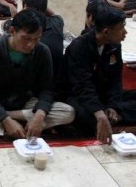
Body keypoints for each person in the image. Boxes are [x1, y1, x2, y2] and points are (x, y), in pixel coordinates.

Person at [0, 9, 75, 138]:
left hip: (25, 101)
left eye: (36, 39)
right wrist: (5, 119)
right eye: (26, 39)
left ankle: (21, 123)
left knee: (68, 112)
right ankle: (22, 124)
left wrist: (39, 115)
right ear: (12, 31)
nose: (31, 45)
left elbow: (47, 88)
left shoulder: (42, 51)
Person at [58, 8, 136, 144]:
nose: (125, 32)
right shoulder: (79, 47)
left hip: (101, 94)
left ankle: (112, 116)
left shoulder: (114, 46)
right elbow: (82, 86)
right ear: (106, 31)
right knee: (82, 115)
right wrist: (99, 113)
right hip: (76, 96)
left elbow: (115, 80)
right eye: (121, 28)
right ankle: (108, 119)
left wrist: (113, 106)